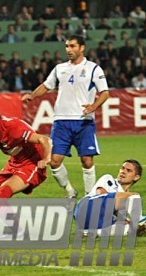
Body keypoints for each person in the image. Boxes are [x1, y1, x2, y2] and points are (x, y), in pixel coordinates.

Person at [21, 34, 110, 197]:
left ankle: (90, 196)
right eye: (67, 46)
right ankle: (70, 190)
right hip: (61, 121)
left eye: (73, 46)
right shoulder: (59, 68)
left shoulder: (93, 68)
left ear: (82, 48)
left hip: (83, 122)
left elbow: (105, 93)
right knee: (54, 162)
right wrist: (32, 96)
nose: (69, 50)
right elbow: (46, 86)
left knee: (87, 161)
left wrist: (94, 106)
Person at [74, 159, 146, 236]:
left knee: (129, 230)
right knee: (134, 196)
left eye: (128, 170)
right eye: (122, 168)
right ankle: (138, 218)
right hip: (86, 207)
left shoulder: (126, 198)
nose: (123, 171)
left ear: (136, 177)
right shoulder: (109, 179)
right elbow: (101, 195)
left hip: (92, 221)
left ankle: (89, 232)